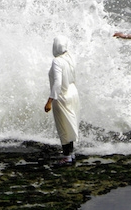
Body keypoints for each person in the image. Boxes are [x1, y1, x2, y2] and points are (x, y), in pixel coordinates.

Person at [45, 35, 80, 166]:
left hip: (62, 96)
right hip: (72, 92)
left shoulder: (57, 61)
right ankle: (71, 153)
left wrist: (50, 100)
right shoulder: (70, 57)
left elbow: (57, 83)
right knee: (71, 124)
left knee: (63, 127)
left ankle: (67, 157)